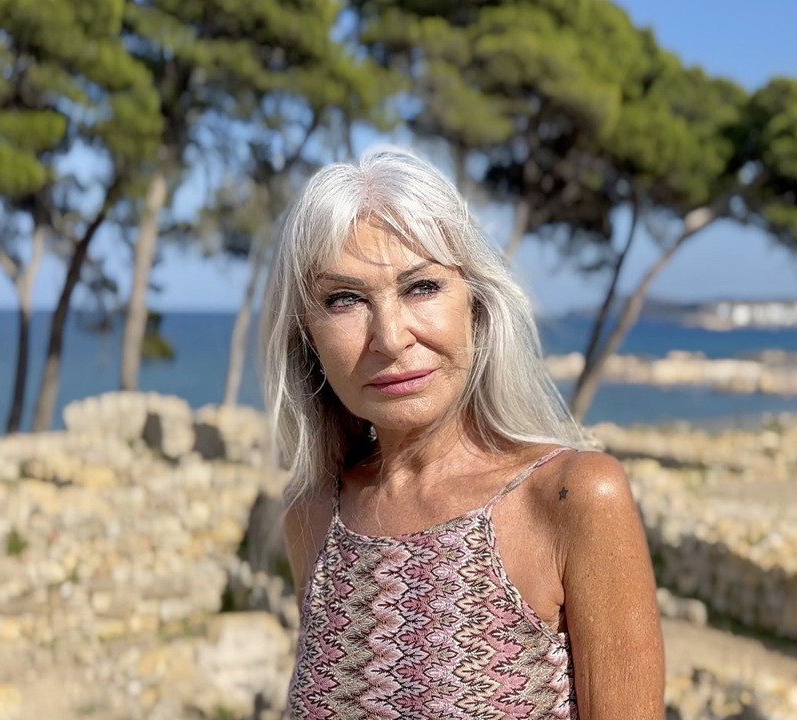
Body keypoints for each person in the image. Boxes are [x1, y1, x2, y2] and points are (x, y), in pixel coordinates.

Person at [261, 146, 665, 719]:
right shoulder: (313, 515)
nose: (390, 337)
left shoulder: (570, 497)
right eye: (345, 299)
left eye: (421, 287)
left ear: (474, 305)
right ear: (307, 335)